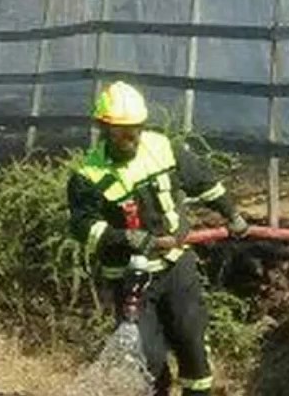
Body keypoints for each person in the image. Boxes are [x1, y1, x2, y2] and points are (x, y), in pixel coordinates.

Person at [67, 81, 250, 396]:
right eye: (122, 132)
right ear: (105, 130)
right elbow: (84, 227)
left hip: (177, 266)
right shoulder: (88, 176)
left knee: (193, 346)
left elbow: (203, 181)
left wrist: (231, 213)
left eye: (135, 130)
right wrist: (128, 238)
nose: (131, 139)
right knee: (148, 357)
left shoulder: (163, 148)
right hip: (131, 278)